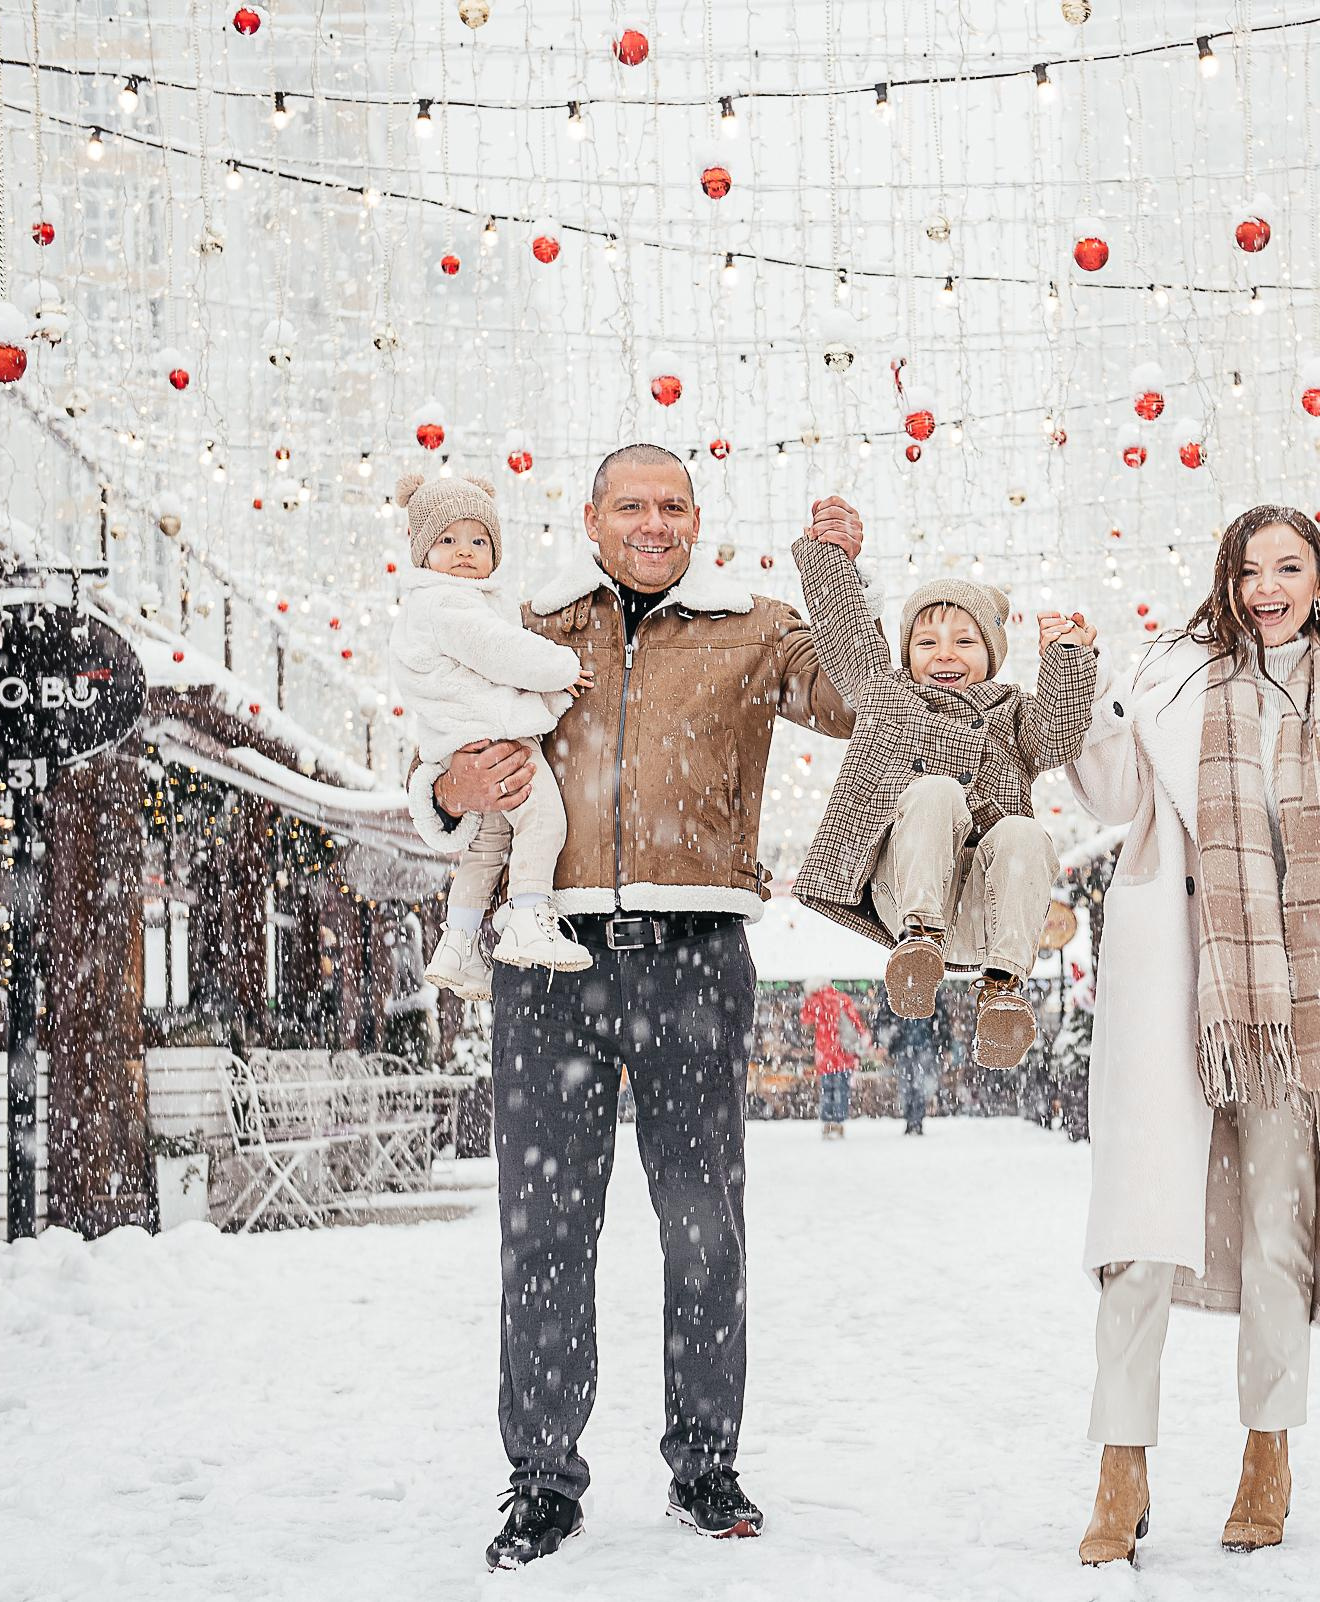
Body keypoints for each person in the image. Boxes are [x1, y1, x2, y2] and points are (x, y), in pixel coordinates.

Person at [407, 446, 858, 1570]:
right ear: (592, 516)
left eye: (672, 506)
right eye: (631, 505)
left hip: (696, 958)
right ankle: (542, 1482)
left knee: (704, 1230)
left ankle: (706, 1469)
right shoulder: (527, 623)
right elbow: (432, 760)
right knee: (546, 1232)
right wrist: (450, 791)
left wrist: (841, 579)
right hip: (546, 955)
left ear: (697, 518)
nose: (652, 523)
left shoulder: (754, 626)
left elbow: (860, 706)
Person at [1063, 504, 1320, 1566]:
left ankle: (1267, 1453)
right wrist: (1086, 691)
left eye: (1290, 567)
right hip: (1176, 989)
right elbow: (1111, 793)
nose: (1267, 587)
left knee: (1282, 1232)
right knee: (1140, 1238)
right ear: (1224, 580)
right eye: (1249, 569)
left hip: (1303, 1013)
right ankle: (1120, 1464)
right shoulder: (1174, 678)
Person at [787, 517, 1098, 1068]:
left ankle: (1003, 989)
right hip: (904, 895)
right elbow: (845, 635)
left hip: (986, 912)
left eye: (964, 641)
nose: (944, 653)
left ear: (992, 655)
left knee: (1025, 831)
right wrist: (829, 553)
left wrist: (1067, 659)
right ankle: (920, 945)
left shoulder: (1013, 717)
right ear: (906, 657)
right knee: (935, 792)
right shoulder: (887, 695)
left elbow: (1059, 734)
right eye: (926, 642)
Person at [387, 472, 597, 998]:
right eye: (447, 540)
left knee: (488, 843)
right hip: (497, 742)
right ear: (421, 551)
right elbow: (503, 653)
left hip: (468, 738)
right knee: (544, 820)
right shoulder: (449, 605)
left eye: (479, 540)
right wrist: (561, 668)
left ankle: (457, 944)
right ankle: (529, 916)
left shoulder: (453, 603)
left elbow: (489, 675)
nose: (464, 552)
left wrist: (549, 696)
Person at [798, 975, 865, 1139]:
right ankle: (838, 1123)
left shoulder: (814, 1001)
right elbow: (856, 1023)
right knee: (842, 1090)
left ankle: (828, 1123)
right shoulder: (842, 998)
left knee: (827, 1090)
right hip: (844, 1053)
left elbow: (804, 1020)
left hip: (825, 1053)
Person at [886, 986, 949, 1134]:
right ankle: (913, 1120)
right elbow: (942, 1018)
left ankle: (915, 1120)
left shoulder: (927, 987)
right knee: (910, 1085)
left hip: (921, 1044)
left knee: (916, 1085)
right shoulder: (928, 987)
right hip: (912, 1044)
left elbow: (941, 1018)